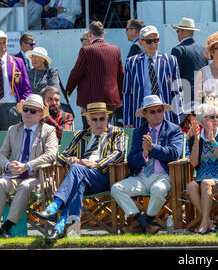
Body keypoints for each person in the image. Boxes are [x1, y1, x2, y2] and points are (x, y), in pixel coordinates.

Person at [34, 102, 125, 242]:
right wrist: (70, 159)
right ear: (88, 120)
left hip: (104, 177)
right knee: (78, 183)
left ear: (108, 119)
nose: (99, 122)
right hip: (81, 179)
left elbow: (119, 153)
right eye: (94, 119)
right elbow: (61, 157)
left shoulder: (116, 133)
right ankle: (69, 230)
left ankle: (55, 205)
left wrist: (96, 163)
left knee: (76, 170)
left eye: (102, 118)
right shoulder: (80, 136)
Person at [111, 95, 183, 234]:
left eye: (159, 110)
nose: (157, 114)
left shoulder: (173, 129)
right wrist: (144, 154)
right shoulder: (138, 132)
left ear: (163, 111)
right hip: (142, 176)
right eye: (152, 111)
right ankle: (144, 223)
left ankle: (144, 223)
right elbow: (131, 159)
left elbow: (174, 153)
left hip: (163, 175)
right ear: (145, 114)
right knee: (116, 188)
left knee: (158, 189)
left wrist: (152, 148)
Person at [0, 94, 57, 238]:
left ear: (40, 115)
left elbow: (51, 155)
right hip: (14, 175)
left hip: (39, 176)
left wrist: (27, 165)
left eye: (32, 111)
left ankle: (7, 226)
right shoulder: (14, 129)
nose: (27, 113)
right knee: (0, 183)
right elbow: (2, 154)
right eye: (25, 110)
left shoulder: (48, 130)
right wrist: (8, 165)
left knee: (25, 186)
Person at [66, 21, 124, 128]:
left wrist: (68, 91)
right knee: (107, 129)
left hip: (90, 100)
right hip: (110, 100)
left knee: (89, 132)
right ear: (103, 34)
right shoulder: (115, 49)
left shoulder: (86, 50)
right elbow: (121, 75)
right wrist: (121, 97)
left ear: (90, 35)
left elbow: (76, 73)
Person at [186, 98, 218, 234]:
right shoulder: (196, 139)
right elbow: (194, 163)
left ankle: (204, 225)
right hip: (201, 175)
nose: (216, 120)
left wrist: (213, 141)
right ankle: (208, 222)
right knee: (191, 186)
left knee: (206, 183)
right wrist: (196, 141)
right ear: (202, 119)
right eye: (211, 117)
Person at [123, 25, 184, 128]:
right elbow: (127, 93)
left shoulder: (170, 60)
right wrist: (127, 121)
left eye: (156, 40)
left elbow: (177, 91)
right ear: (141, 42)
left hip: (165, 116)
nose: (153, 44)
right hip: (141, 116)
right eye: (149, 41)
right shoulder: (132, 62)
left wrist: (178, 119)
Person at [171, 17, 207, 106]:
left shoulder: (178, 50)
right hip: (202, 96)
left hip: (185, 97)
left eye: (177, 31)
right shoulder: (203, 49)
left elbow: (174, 76)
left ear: (181, 31)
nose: (177, 34)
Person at [0, 30, 31, 130]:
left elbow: (27, 89)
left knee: (12, 142)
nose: (2, 46)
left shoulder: (18, 62)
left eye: (4, 42)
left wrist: (21, 102)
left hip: (12, 108)